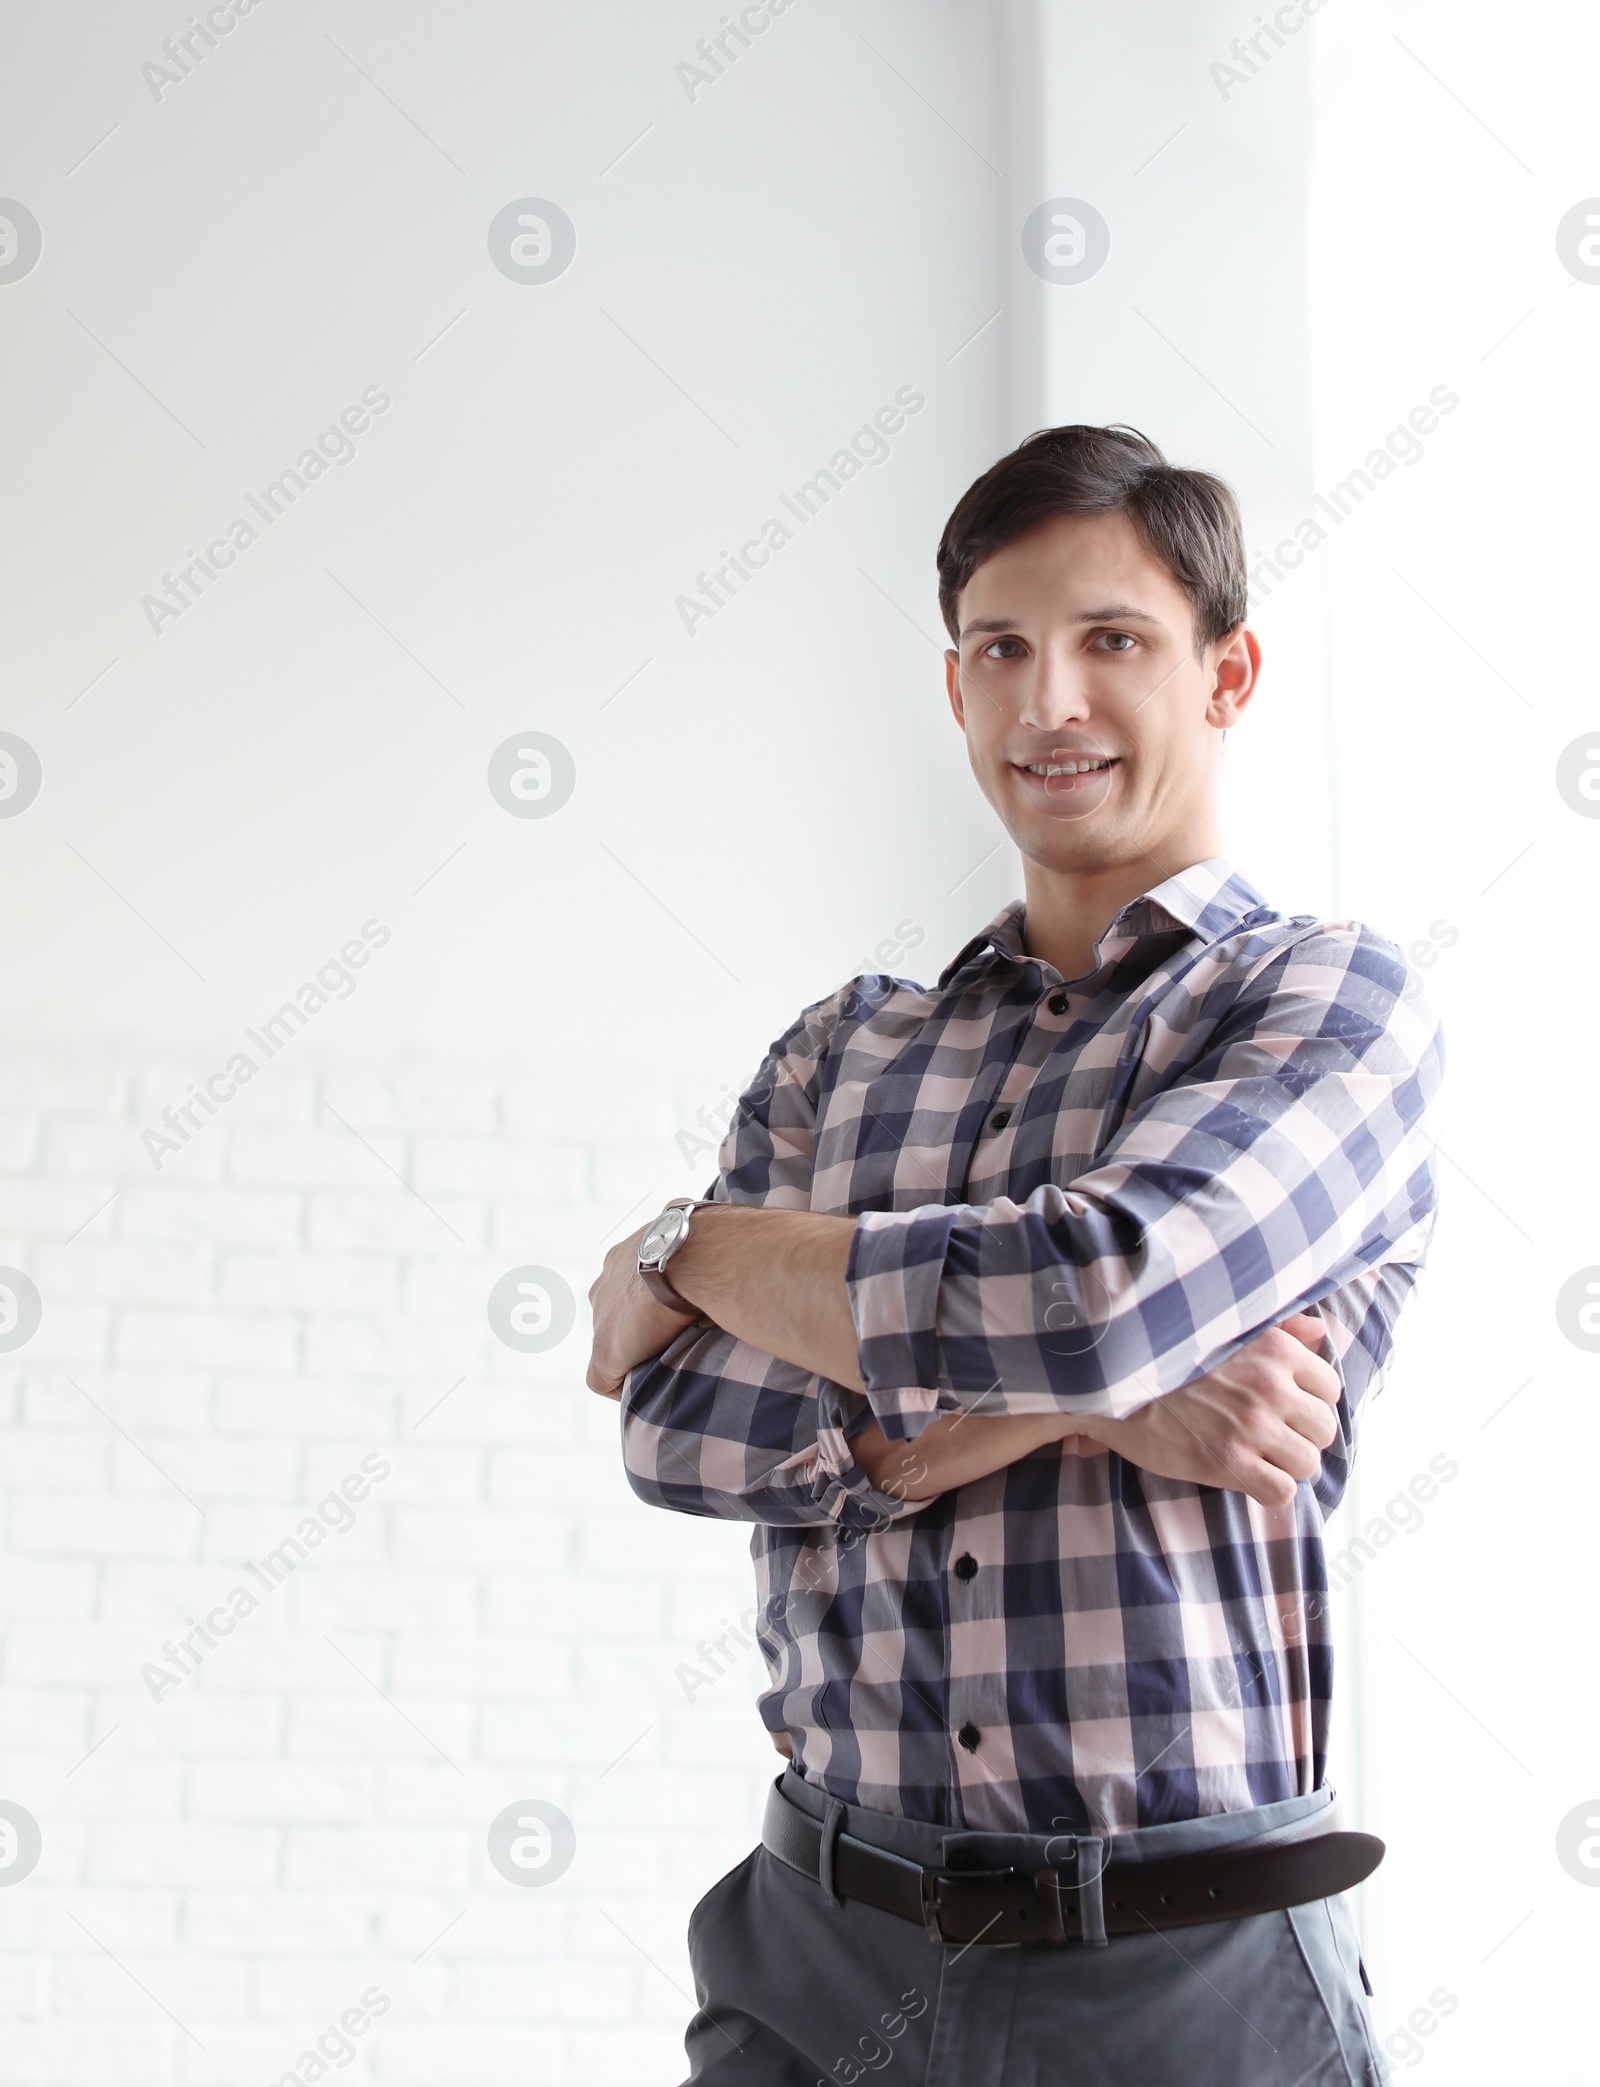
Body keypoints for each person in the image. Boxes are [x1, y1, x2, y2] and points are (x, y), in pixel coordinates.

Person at [587, 424, 1442, 2085]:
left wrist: (700, 1250)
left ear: (1229, 670)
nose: (1050, 702)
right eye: (1003, 649)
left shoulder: (1325, 1006)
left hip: (1183, 1976)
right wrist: (1099, 1406)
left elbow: (1091, 1291)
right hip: (817, 1949)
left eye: (1112, 640)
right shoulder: (842, 1056)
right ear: (958, 685)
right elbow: (670, 1427)